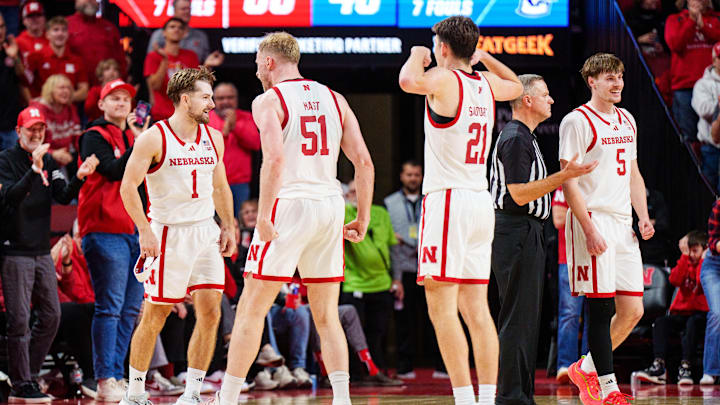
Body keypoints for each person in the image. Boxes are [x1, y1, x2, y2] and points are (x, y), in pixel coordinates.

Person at [216, 31, 374, 405]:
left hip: (290, 204)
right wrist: (362, 216)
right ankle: (342, 398)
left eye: (257, 61)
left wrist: (266, 215)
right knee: (326, 314)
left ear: (269, 61)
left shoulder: (268, 99)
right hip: (330, 204)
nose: (256, 68)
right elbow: (364, 163)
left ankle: (226, 399)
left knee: (251, 309)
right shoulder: (336, 98)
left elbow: (273, 159)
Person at [398, 16, 522, 405]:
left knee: (441, 308)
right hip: (479, 202)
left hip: (448, 201)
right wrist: (486, 58)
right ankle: (486, 399)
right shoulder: (485, 84)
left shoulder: (443, 78)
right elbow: (518, 86)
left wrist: (417, 55)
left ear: (444, 48)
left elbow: (407, 81)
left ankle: (465, 399)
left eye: (436, 45)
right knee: (477, 308)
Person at [118, 66, 236, 405]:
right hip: (168, 233)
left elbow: (220, 186)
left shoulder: (214, 137)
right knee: (156, 312)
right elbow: (128, 187)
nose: (212, 104)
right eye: (205, 97)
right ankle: (135, 392)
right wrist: (144, 230)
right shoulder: (153, 137)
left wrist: (228, 225)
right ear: (185, 100)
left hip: (205, 231)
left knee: (212, 311)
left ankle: (194, 393)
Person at [489, 74, 596, 405]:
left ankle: (522, 395)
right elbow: (519, 194)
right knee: (515, 319)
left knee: (525, 320)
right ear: (528, 100)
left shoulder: (526, 136)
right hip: (515, 229)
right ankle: (510, 397)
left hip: (526, 231)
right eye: (546, 95)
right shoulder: (516, 138)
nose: (552, 100)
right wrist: (563, 177)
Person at [559, 53, 655, 404]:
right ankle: (608, 389)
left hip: (621, 223)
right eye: (609, 78)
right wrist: (588, 228)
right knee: (600, 309)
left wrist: (642, 215)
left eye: (620, 77)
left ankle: (585, 367)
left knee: (633, 310)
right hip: (593, 218)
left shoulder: (627, 119)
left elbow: (633, 172)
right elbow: (568, 181)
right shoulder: (576, 121)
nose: (617, 84)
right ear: (592, 82)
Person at [0, 106, 98, 403]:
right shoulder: (5, 160)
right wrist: (33, 170)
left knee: (52, 316)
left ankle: (24, 375)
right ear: (18, 132)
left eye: (41, 128)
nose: (37, 133)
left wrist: (79, 177)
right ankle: (22, 382)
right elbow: (11, 198)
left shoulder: (50, 161)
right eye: (31, 129)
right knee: (18, 319)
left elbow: (63, 194)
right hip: (14, 250)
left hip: (42, 251)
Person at [78, 78, 150, 401]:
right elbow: (113, 170)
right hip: (104, 229)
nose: (122, 104)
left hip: (134, 229)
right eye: (115, 98)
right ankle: (104, 376)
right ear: (102, 104)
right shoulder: (93, 136)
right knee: (110, 306)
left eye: (126, 99)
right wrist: (139, 141)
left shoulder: (134, 137)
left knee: (132, 307)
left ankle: (117, 375)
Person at [384, 160, 445, 379]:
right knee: (405, 321)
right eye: (409, 174)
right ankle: (404, 366)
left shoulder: (432, 199)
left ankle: (442, 365)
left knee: (437, 317)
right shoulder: (389, 203)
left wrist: (409, 241)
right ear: (401, 176)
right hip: (404, 270)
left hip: (429, 267)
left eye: (417, 175)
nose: (413, 178)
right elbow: (389, 239)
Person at [634, 231, 709, 385]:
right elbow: (674, 279)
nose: (692, 255)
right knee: (661, 322)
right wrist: (684, 256)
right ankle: (659, 367)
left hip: (700, 314)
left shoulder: (708, 267)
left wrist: (703, 260)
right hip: (682, 313)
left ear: (704, 250)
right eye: (690, 250)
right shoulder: (685, 261)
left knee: (692, 324)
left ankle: (686, 367)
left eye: (696, 251)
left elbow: (701, 282)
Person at [341, 179, 398, 379]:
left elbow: (393, 248)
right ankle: (357, 373)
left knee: (379, 331)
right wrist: (344, 201)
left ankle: (378, 370)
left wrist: (396, 279)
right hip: (354, 283)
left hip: (382, 282)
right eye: (352, 192)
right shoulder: (344, 213)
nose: (355, 195)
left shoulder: (381, 214)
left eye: (359, 191)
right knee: (355, 333)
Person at [665, 0, 720, 142]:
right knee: (688, 139)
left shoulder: (716, 18)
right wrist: (691, 21)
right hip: (685, 87)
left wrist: (703, 26)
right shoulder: (674, 19)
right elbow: (675, 44)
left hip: (714, 84)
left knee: (715, 138)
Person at [208, 82, 260, 217]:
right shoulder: (206, 119)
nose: (226, 102)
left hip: (239, 183)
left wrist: (235, 126)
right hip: (212, 183)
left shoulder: (247, 116)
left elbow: (255, 144)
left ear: (236, 99)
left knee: (240, 224)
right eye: (220, 98)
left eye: (230, 97)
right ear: (213, 100)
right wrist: (224, 133)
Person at [553, 187, 588, 384]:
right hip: (570, 258)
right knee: (570, 313)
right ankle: (566, 366)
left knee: (597, 315)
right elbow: (558, 219)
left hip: (597, 255)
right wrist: (589, 217)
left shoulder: (601, 182)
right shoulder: (565, 185)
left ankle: (587, 367)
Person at [144, 17, 200, 122]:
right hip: (161, 116)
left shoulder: (191, 56)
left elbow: (196, 86)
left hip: (186, 115)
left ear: (184, 33)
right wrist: (165, 60)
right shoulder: (154, 56)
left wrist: (207, 65)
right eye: (172, 27)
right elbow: (155, 86)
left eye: (180, 28)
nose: (176, 29)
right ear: (164, 33)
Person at [25, 16, 88, 102]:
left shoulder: (77, 60)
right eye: (56, 30)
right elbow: (24, 83)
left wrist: (64, 98)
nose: (60, 33)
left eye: (64, 30)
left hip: (68, 110)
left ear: (68, 34)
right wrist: (32, 102)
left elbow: (84, 91)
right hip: (42, 109)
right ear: (47, 34)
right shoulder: (35, 56)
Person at [66, 0, 127, 86]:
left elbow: (121, 61)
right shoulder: (65, 26)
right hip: (74, 90)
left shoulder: (109, 27)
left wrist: (121, 84)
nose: (90, 1)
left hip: (106, 89)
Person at [30, 74, 82, 168]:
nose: (66, 91)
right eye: (61, 88)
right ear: (50, 90)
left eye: (69, 88)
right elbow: (31, 144)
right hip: (40, 161)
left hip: (65, 159)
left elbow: (77, 138)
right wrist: (53, 154)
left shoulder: (71, 109)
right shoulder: (37, 111)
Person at [692, 41, 720, 193]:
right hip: (711, 147)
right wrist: (718, 105)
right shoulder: (703, 84)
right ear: (714, 60)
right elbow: (703, 110)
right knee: (710, 193)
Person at [700, 198, 720, 385]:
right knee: (717, 313)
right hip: (714, 265)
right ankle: (711, 371)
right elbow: (713, 241)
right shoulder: (719, 205)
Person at [0, 12, 25, 150]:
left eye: (2, 27)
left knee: (13, 169)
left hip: (11, 123)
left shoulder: (10, 49)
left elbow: (21, 74)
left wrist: (14, 57)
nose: (0, 31)